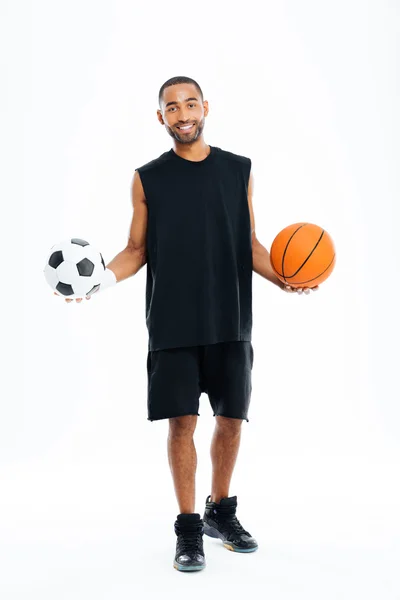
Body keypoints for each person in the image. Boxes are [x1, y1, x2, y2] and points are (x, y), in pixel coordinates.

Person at [56, 76, 318, 572]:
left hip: (231, 315)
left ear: (205, 108)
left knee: (232, 421)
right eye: (171, 108)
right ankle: (188, 528)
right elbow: (136, 251)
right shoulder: (147, 178)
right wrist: (98, 282)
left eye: (190, 104)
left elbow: (252, 242)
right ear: (161, 118)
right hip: (173, 322)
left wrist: (284, 278)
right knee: (182, 424)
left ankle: (221, 511)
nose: (182, 114)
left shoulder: (239, 170)